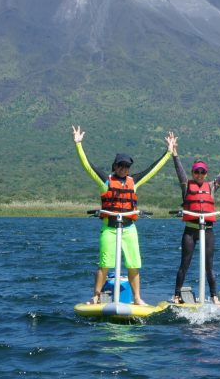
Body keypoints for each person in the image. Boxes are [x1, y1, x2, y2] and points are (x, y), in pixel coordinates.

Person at [73, 125, 173, 305]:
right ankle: (96, 296)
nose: (124, 168)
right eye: (121, 165)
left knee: (134, 264)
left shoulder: (133, 182)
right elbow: (88, 166)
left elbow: (153, 169)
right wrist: (78, 144)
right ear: (115, 166)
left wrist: (168, 152)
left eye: (127, 166)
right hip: (109, 228)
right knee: (105, 264)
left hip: (129, 228)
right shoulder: (106, 181)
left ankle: (137, 298)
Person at [168, 133, 220, 304]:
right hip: (190, 230)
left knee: (209, 265)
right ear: (193, 172)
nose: (200, 174)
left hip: (208, 230)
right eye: (197, 171)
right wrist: (174, 153)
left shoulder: (211, 186)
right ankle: (176, 294)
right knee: (185, 263)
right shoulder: (186, 185)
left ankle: (213, 296)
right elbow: (179, 170)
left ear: (206, 173)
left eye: (203, 172)